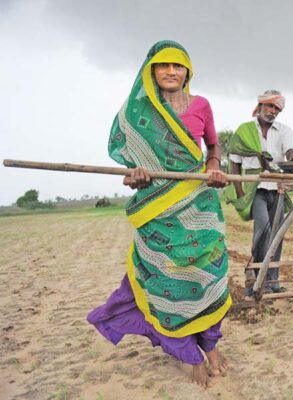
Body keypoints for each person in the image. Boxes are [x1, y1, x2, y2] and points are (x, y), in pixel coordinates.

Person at [87, 40, 231, 388]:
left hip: (199, 205)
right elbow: (133, 168)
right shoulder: (136, 115)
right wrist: (135, 175)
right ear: (150, 72)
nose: (170, 72)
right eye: (162, 66)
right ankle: (190, 355)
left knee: (207, 277)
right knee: (167, 285)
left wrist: (214, 167)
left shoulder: (201, 105)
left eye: (177, 66)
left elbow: (213, 146)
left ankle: (211, 348)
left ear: (187, 72)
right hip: (158, 213)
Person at [225, 90, 293, 295]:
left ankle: (273, 282)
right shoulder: (245, 130)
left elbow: (291, 150)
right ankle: (258, 278)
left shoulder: (284, 130)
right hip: (254, 188)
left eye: (277, 108)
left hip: (278, 188)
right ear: (260, 106)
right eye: (270, 106)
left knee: (277, 234)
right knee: (263, 230)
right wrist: (239, 192)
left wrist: (292, 157)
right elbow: (234, 163)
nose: (273, 111)